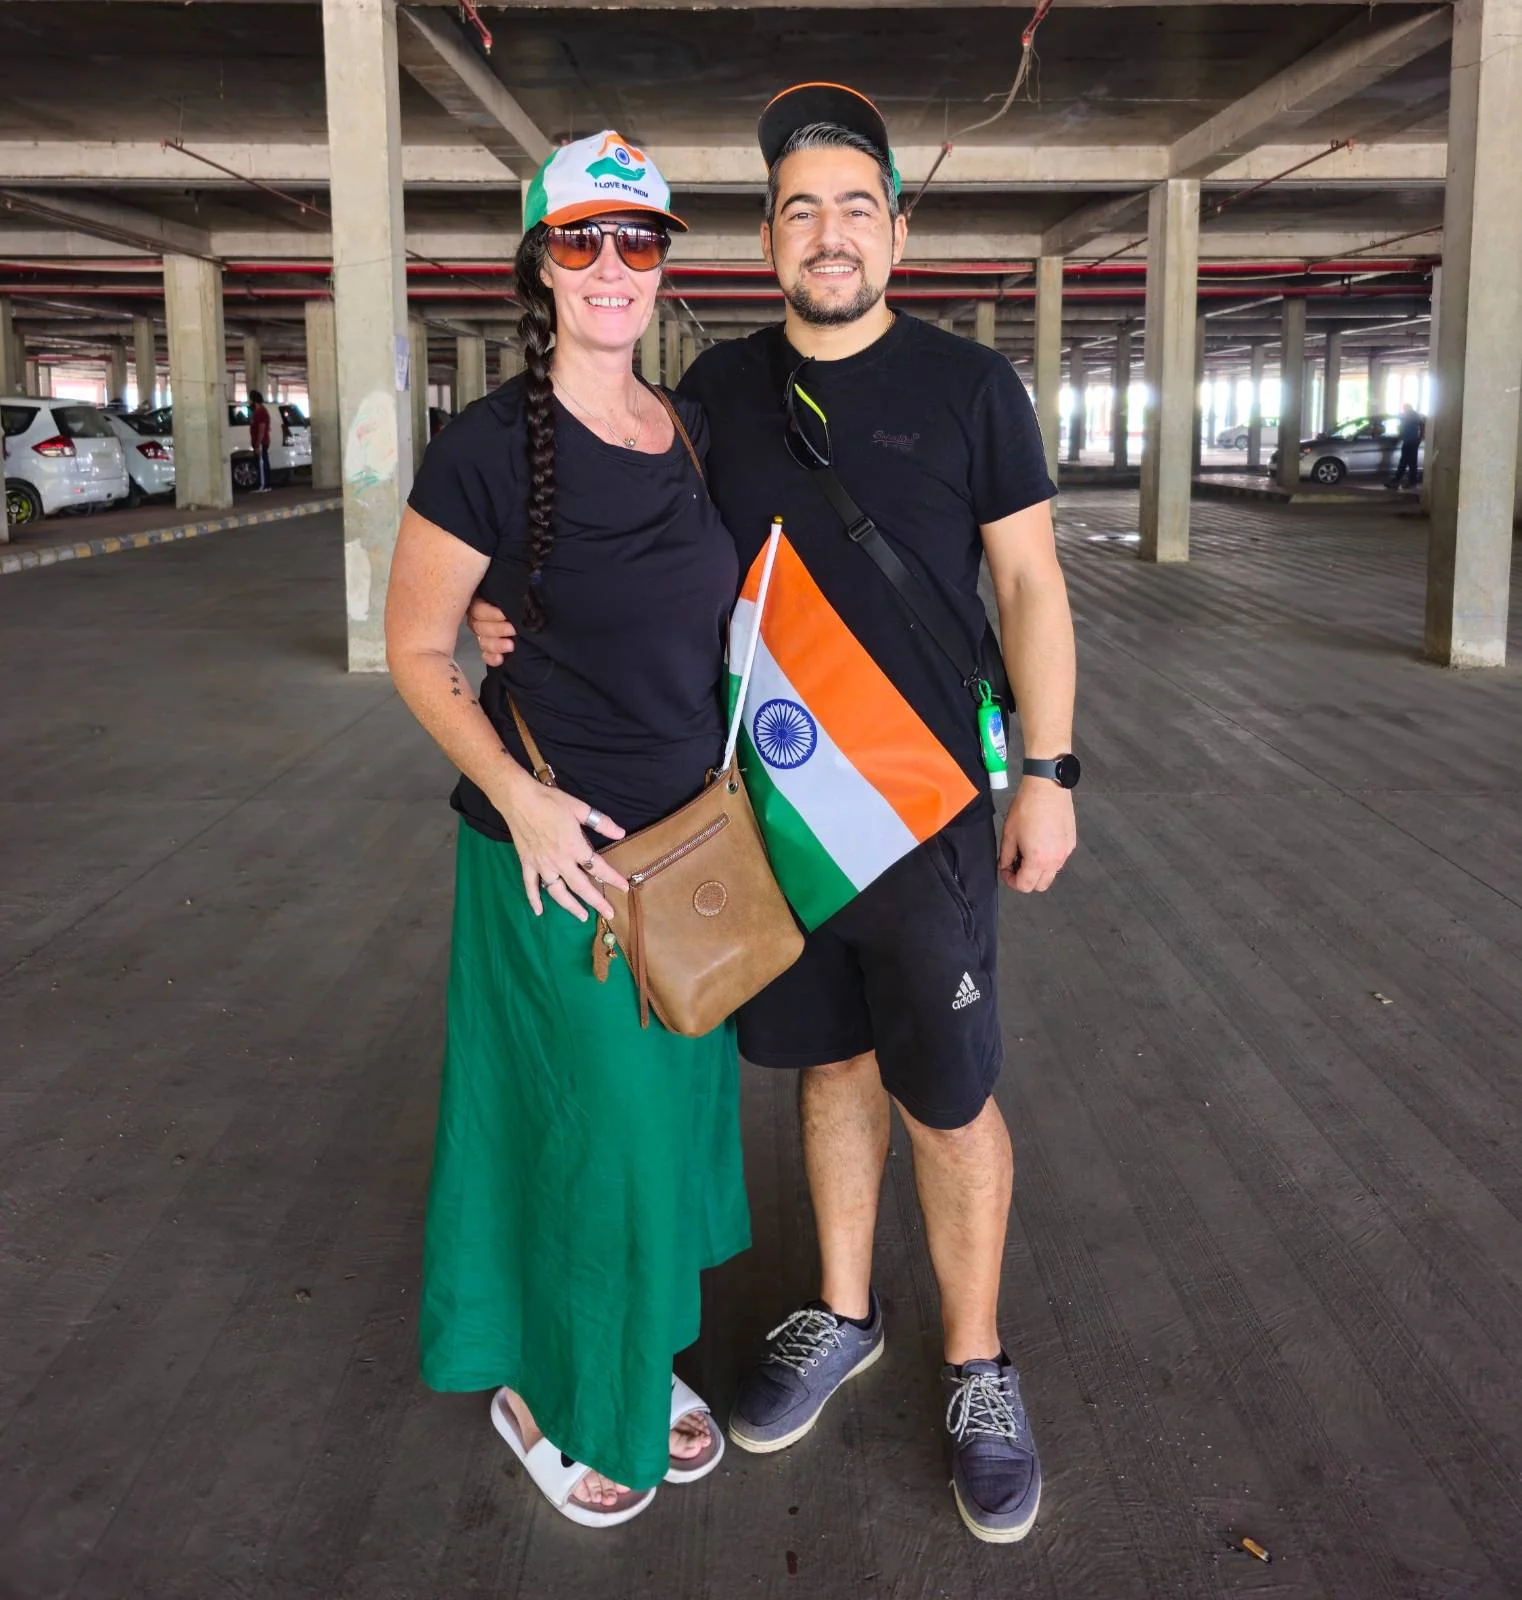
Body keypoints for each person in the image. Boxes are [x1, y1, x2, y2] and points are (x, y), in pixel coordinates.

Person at [469, 83, 1079, 1544]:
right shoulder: (711, 400)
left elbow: (1031, 588)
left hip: (926, 816)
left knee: (947, 1095)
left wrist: (1047, 775)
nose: (828, 233)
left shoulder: (972, 391)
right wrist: (502, 599)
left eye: (854, 207)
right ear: (762, 238)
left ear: (896, 233)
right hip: (774, 822)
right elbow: (623, 541)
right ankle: (844, 1313)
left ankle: (978, 1362)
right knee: (826, 1067)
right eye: (799, 207)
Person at [384, 131, 748, 1529]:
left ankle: (630, 1356)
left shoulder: (690, 429)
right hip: (558, 857)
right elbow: (420, 651)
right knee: (581, 1134)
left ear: (663, 266)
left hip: (690, 855)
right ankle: (546, 1393)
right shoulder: (485, 447)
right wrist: (526, 800)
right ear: (542, 262)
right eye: (582, 239)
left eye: (638, 241)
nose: (611, 267)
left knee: (658, 1131)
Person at [1388, 403, 1424, 489]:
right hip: (1410, 441)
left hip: (1411, 442)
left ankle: (1408, 481)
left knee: (1408, 462)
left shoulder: (1412, 415)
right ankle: (1400, 480)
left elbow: (1420, 425)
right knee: (1406, 462)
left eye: (1405, 409)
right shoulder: (1412, 415)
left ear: (1408, 408)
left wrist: (1420, 438)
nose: (1404, 411)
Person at [247, 389, 273, 492]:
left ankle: (265, 485)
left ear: (254, 400)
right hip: (259, 442)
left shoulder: (261, 412)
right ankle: (262, 485)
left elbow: (262, 429)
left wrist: (258, 444)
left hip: (261, 443)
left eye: (250, 399)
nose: (249, 402)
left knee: (262, 464)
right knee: (260, 463)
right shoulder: (257, 412)